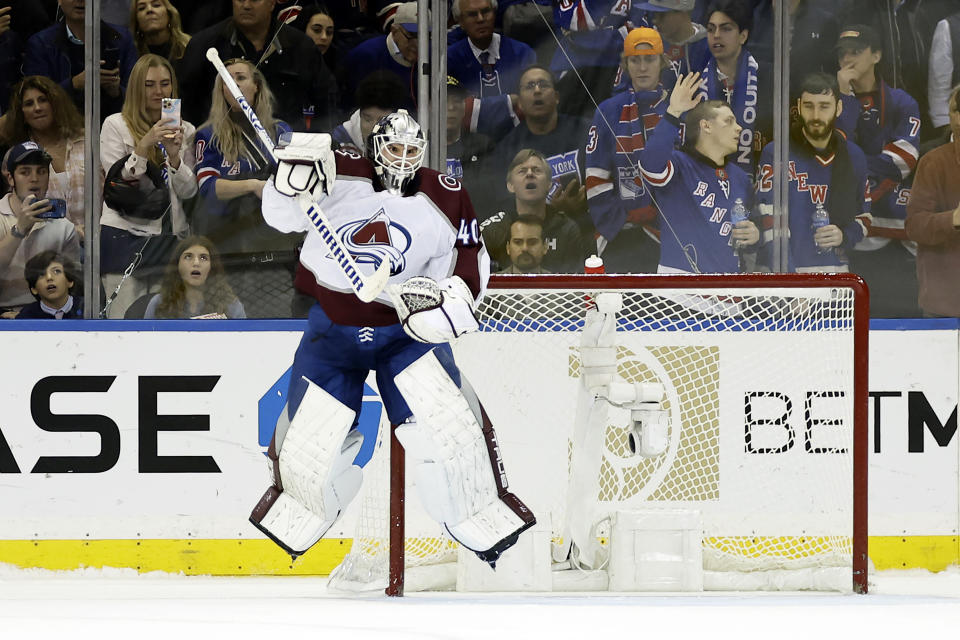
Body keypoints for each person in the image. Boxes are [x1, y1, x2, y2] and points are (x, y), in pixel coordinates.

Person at [251, 110, 535, 565]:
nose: (401, 159)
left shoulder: (446, 194)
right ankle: (302, 508)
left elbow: (469, 258)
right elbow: (281, 217)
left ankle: (479, 513)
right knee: (310, 446)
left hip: (405, 333)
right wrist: (285, 186)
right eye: (393, 148)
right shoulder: (336, 170)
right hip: (333, 330)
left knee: (446, 429)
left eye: (411, 151)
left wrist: (453, 302)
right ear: (374, 146)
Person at [194, 58, 300, 319]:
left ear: (257, 86)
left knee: (277, 318)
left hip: (275, 246)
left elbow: (296, 183)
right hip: (226, 246)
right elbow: (208, 187)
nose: (235, 84)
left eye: (240, 77)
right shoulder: (207, 135)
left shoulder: (280, 131)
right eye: (227, 81)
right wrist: (253, 185)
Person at [99, 54, 197, 320]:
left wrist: (174, 157)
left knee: (166, 320)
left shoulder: (186, 130)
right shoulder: (115, 125)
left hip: (169, 239)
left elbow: (189, 192)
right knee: (123, 321)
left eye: (165, 84)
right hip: (124, 236)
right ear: (135, 88)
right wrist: (144, 145)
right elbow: (119, 187)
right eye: (149, 84)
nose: (158, 91)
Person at [834, 24, 921, 317]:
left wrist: (856, 172)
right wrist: (843, 97)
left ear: (877, 55)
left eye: (856, 52)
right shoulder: (828, 103)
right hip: (847, 235)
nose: (848, 59)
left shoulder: (901, 102)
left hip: (894, 236)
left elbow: (903, 159)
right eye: (843, 53)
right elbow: (830, 158)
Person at [636, 73, 759, 274]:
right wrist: (673, 111)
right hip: (681, 296)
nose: (739, 128)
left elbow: (752, 234)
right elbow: (650, 167)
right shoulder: (678, 164)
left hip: (729, 298)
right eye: (729, 121)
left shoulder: (740, 178)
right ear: (706, 125)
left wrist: (755, 236)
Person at [756, 73, 870, 273]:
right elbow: (766, 221)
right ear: (799, 107)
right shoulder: (776, 152)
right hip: (780, 275)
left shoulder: (854, 156)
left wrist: (844, 235)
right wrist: (791, 282)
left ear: (839, 108)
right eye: (809, 106)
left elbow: (864, 216)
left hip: (834, 274)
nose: (816, 115)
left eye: (824, 106)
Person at [585, 27, 672, 273]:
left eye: (649, 59)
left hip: (673, 235)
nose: (642, 68)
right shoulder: (608, 111)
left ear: (662, 62)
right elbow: (595, 175)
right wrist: (621, 221)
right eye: (635, 60)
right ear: (625, 64)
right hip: (621, 235)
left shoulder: (678, 108)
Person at [177, 0, 335, 131]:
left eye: (254, 0)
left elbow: (325, 100)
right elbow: (185, 100)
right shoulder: (205, 45)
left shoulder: (301, 46)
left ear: (272, 4)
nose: (245, 5)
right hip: (220, 150)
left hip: (286, 147)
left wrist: (318, 143)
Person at [490, 65, 590, 233]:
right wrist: (552, 211)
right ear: (520, 103)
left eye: (543, 85)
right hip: (535, 238)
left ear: (557, 97)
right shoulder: (507, 149)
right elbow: (506, 205)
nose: (537, 91)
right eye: (529, 86)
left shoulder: (586, 131)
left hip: (588, 228)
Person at [0, 142, 81, 317]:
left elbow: (73, 283)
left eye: (41, 171)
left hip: (48, 315)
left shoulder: (64, 227)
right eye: (25, 172)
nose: (34, 178)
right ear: (10, 178)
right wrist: (19, 230)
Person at [23, 0, 138, 120]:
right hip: (59, 129)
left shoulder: (122, 38)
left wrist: (116, 92)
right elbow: (35, 102)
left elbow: (138, 97)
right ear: (60, 1)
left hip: (113, 128)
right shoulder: (40, 44)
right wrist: (74, 84)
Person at [0, 76, 85, 233]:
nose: (37, 108)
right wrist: (71, 232)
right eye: (29, 104)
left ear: (55, 104)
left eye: (43, 100)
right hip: (47, 246)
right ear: (22, 114)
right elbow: (18, 210)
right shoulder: (17, 156)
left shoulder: (87, 141)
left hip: (98, 241)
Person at [480, 149, 587, 273]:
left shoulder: (566, 228)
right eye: (522, 171)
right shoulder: (494, 230)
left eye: (537, 170)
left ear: (549, 184)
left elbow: (575, 286)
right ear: (510, 185)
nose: (530, 174)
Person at [905, 86, 960, 317]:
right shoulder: (933, 163)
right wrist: (953, 220)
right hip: (946, 307)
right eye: (957, 110)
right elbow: (914, 226)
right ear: (949, 115)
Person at [697, 0, 765, 178]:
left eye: (726, 29)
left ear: (743, 36)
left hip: (758, 183)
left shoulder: (769, 79)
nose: (716, 35)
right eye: (711, 29)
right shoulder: (696, 83)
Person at [341, 1, 422, 113]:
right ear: (394, 31)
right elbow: (350, 106)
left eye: (425, 36)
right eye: (411, 36)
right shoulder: (366, 56)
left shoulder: (432, 55)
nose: (417, 44)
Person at [448, 0, 536, 99]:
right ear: (461, 22)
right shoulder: (450, 59)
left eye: (485, 12)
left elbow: (529, 101)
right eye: (472, 14)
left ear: (494, 14)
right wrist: (509, 102)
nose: (480, 19)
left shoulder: (522, 53)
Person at [143, 235, 246, 319]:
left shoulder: (231, 306)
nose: (196, 263)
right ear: (177, 265)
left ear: (212, 267)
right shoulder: (159, 303)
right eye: (188, 257)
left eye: (203, 258)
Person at [331, 71, 411, 155]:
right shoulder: (340, 138)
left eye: (382, 121)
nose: (374, 129)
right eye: (367, 119)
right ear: (360, 114)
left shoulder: (409, 138)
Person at [636, 0, 710, 86]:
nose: (655, 20)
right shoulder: (647, 42)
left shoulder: (708, 48)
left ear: (683, 13)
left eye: (662, 15)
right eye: (654, 14)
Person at [14, 250, 83, 319]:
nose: (49, 277)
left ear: (70, 282)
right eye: (41, 274)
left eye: (56, 271)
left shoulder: (87, 308)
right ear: (34, 289)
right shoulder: (26, 316)